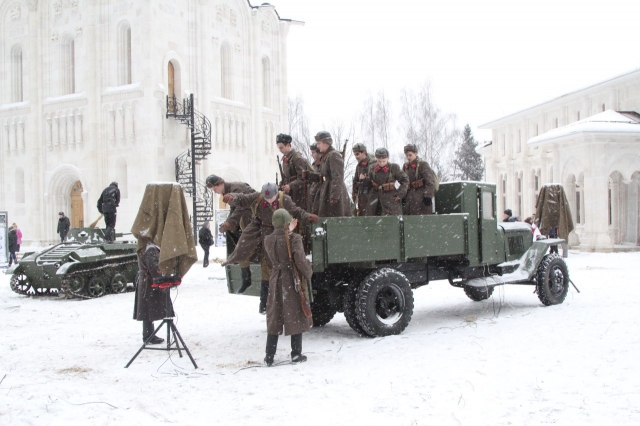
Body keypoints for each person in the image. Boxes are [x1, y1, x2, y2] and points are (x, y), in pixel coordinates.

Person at [222, 182, 318, 314]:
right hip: (262, 231)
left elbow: (296, 211)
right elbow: (243, 198)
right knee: (246, 246)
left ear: (276, 194)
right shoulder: (258, 197)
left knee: (278, 268)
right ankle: (263, 302)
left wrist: (307, 216)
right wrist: (232, 197)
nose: (268, 200)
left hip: (280, 234)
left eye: (271, 197)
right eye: (266, 197)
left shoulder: (285, 199)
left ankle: (278, 304)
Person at [131, 183, 198, 345]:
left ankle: (149, 334)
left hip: (150, 281)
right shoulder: (149, 246)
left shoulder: (149, 242)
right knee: (148, 310)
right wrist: (161, 276)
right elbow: (152, 262)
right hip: (149, 282)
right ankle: (147, 335)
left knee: (150, 310)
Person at [263, 209, 313, 366]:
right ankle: (296, 354)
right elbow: (299, 258)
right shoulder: (295, 239)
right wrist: (308, 271)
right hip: (290, 279)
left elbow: (277, 245)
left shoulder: (268, 239)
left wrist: (286, 230)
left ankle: (269, 355)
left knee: (274, 316)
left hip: (275, 278)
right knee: (296, 313)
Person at [206, 174, 256, 290]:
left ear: (220, 184)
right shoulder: (226, 192)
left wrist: (229, 222)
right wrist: (227, 224)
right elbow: (233, 209)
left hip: (253, 215)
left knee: (243, 242)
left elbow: (241, 207)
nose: (215, 192)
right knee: (238, 240)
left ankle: (246, 276)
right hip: (246, 216)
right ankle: (245, 274)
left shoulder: (236, 188)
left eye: (215, 189)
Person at [310, 131, 352, 217]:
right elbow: (323, 174)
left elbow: (337, 176)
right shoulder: (326, 156)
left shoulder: (333, 155)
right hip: (325, 189)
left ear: (325, 143)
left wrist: (334, 196)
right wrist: (310, 175)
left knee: (334, 217)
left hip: (331, 191)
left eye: (319, 143)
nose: (317, 146)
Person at [361, 148, 409, 216]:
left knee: (391, 220)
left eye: (383, 161)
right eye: (379, 161)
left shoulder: (394, 167)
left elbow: (405, 179)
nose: (381, 163)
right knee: (372, 218)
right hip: (375, 198)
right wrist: (364, 179)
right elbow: (369, 183)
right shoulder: (372, 168)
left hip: (390, 198)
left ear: (388, 158)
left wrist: (400, 194)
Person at [276, 133, 311, 212]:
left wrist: (290, 186)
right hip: (289, 195)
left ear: (288, 145)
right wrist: (280, 185)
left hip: (298, 196)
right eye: (279, 148)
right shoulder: (286, 158)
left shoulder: (297, 158)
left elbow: (303, 178)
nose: (280, 150)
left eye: (281, 147)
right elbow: (285, 177)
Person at [402, 144, 438, 215]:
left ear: (415, 153)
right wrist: (402, 195)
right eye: (407, 155)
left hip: (421, 199)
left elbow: (430, 182)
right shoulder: (405, 166)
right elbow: (403, 182)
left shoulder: (423, 165)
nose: (408, 157)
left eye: (410, 155)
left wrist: (428, 196)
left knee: (421, 222)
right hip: (409, 199)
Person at [351, 143, 376, 216]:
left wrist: (366, 179)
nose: (356, 157)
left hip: (371, 195)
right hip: (361, 195)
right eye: (355, 154)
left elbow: (375, 179)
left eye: (357, 154)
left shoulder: (373, 163)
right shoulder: (359, 165)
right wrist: (354, 193)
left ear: (364, 152)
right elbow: (355, 180)